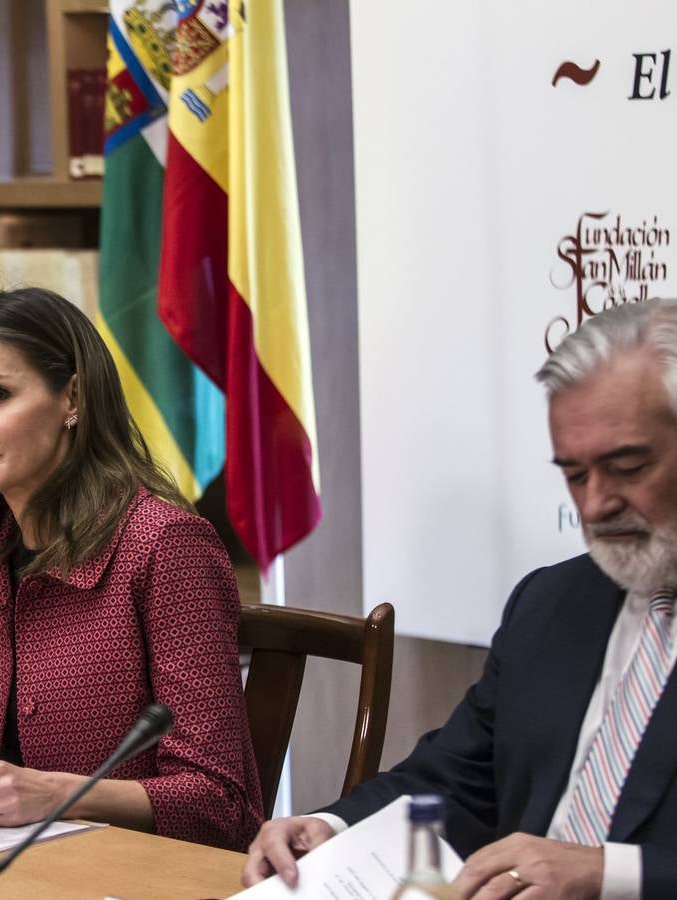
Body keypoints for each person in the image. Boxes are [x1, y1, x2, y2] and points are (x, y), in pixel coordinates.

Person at [244, 299, 677, 898]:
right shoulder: (552, 601)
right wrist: (328, 827)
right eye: (575, 475)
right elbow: (458, 775)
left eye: (627, 466)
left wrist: (608, 873)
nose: (596, 504)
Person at [0, 287, 262, 849]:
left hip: (134, 875)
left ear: (72, 397)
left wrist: (60, 796)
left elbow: (222, 804)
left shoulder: (165, 544)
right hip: (8, 871)